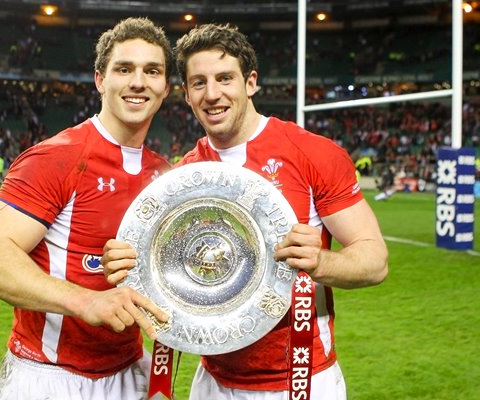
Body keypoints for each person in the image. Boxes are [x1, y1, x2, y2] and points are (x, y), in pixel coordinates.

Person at [103, 23, 388, 400]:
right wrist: (126, 262)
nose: (213, 93)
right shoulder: (183, 178)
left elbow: (374, 262)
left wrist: (319, 260)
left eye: (225, 78)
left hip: (301, 379)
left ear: (250, 82)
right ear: (186, 94)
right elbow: (161, 276)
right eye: (199, 82)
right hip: (213, 383)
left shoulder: (312, 154)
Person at [0, 17, 173, 400]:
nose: (138, 82)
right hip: (50, 377)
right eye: (124, 69)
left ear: (164, 87)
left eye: (152, 71)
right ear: (100, 79)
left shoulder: (164, 175)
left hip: (130, 372)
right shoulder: (57, 157)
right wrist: (85, 301)